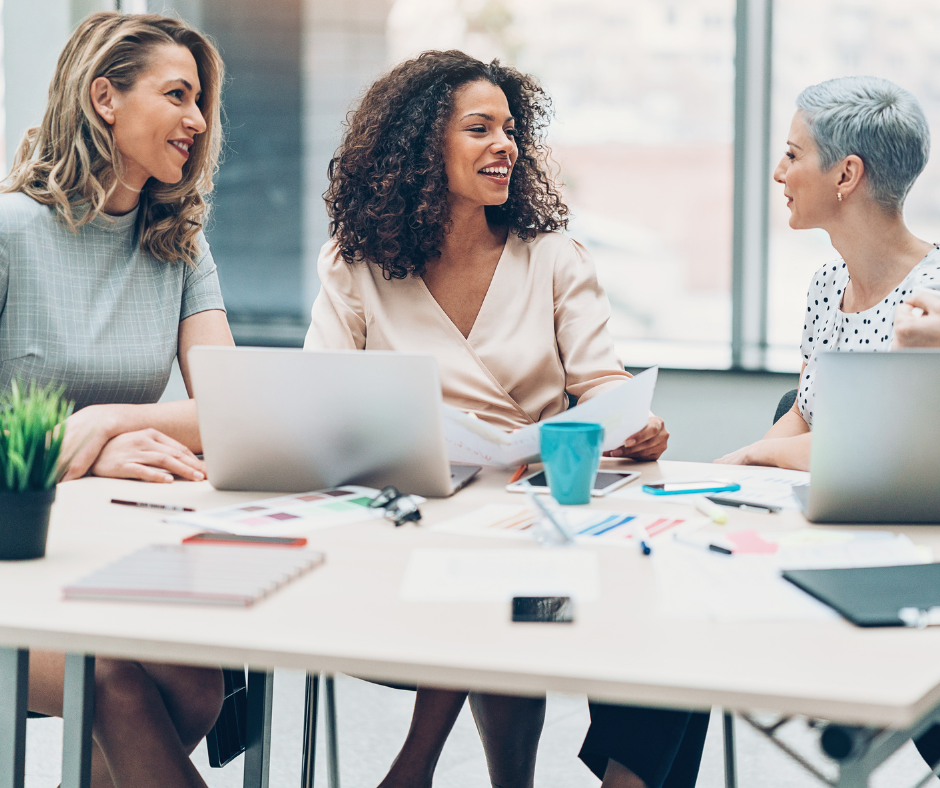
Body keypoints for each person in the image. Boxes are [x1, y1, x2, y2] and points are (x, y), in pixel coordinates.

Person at [305, 49, 701, 788]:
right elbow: (322, 391)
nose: (505, 146)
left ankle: (414, 767)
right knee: (474, 573)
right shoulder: (356, 264)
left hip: (538, 541)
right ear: (421, 148)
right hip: (401, 527)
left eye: (511, 129)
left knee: (506, 577)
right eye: (480, 128)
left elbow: (602, 380)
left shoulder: (551, 257)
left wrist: (634, 424)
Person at [1, 13, 236, 787]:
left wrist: (106, 424)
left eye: (200, 101)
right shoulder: (10, 233)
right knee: (115, 685)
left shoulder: (180, 246)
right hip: (15, 553)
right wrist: (80, 449)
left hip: (112, 549)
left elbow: (234, 410)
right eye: (177, 95)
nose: (197, 122)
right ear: (105, 98)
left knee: (200, 685)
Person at [717, 76, 940, 472]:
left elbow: (870, 447)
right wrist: (733, 473)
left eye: (792, 154)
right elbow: (802, 413)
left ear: (846, 175)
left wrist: (757, 453)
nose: (778, 172)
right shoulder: (828, 282)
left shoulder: (932, 299)